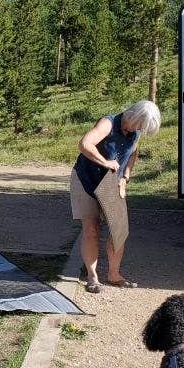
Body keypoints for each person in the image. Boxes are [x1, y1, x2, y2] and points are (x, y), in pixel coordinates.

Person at [70, 99, 161, 294]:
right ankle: (92, 277)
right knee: (91, 228)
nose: (140, 130)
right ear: (133, 116)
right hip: (86, 179)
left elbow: (133, 153)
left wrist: (125, 177)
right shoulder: (108, 124)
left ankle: (114, 274)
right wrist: (106, 162)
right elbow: (84, 144)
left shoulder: (135, 133)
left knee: (118, 230)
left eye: (143, 128)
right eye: (140, 125)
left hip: (112, 184)